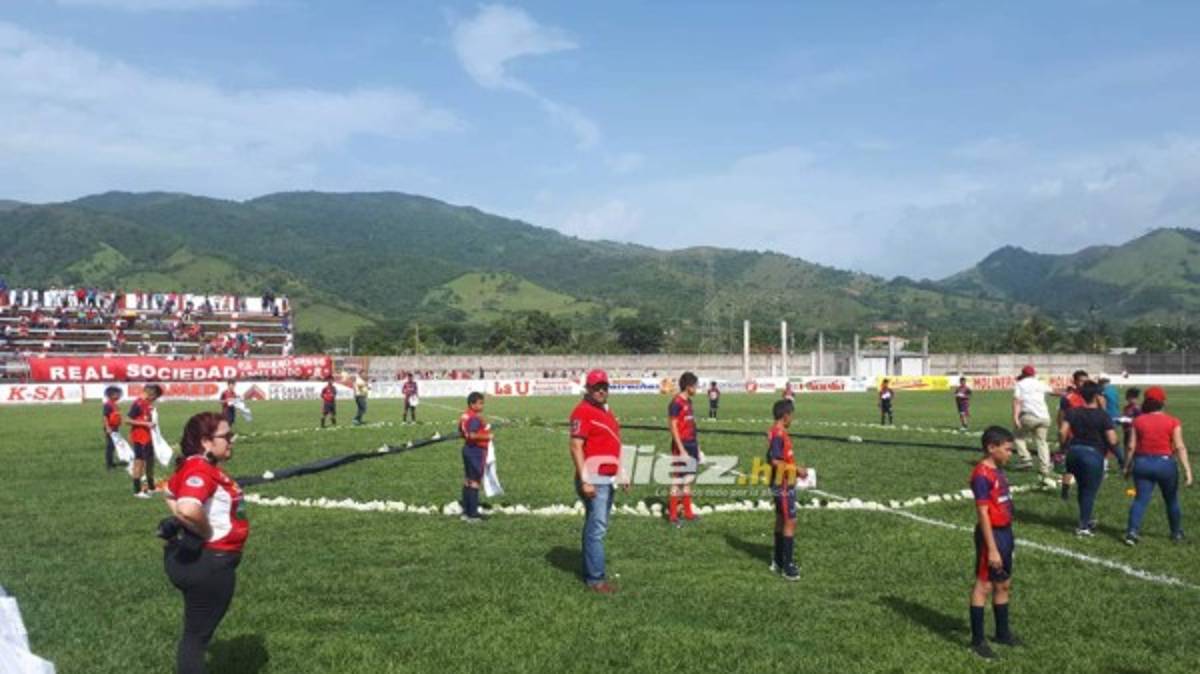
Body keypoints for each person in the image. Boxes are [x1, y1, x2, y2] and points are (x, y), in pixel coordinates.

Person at [161, 412, 247, 674]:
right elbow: (187, 508)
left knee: (194, 636)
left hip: (204, 561)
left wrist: (186, 523)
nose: (232, 441)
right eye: (226, 436)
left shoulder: (196, 466)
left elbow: (168, 491)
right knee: (195, 640)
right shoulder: (199, 468)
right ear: (206, 442)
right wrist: (205, 531)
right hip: (212, 564)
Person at [569, 369, 626, 594]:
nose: (602, 390)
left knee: (595, 525)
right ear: (588, 388)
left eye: (605, 386)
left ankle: (593, 573)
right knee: (597, 528)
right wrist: (585, 480)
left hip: (606, 476)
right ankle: (595, 579)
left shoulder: (605, 411)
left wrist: (621, 471)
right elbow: (575, 447)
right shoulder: (582, 412)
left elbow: (614, 443)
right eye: (597, 387)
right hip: (593, 478)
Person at [969, 426, 1021, 660]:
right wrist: (991, 549)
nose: (1010, 453)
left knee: (1003, 583)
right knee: (985, 586)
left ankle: (1002, 633)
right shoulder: (981, 475)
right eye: (1007, 449)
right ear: (992, 448)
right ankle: (977, 641)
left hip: (1005, 534)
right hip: (991, 536)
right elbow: (983, 514)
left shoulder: (998, 470)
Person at [1124, 387, 1193, 545]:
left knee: (1140, 499)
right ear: (1163, 402)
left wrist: (1127, 466)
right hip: (1165, 464)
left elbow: (1130, 446)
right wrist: (1187, 471)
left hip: (1142, 463)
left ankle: (1132, 532)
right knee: (1171, 500)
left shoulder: (1138, 421)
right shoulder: (1173, 421)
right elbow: (1180, 447)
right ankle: (1176, 533)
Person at [1059, 381, 1119, 537]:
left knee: (1082, 488)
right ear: (1097, 396)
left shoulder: (1073, 412)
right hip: (1092, 455)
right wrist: (1121, 458)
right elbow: (1112, 440)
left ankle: (1086, 518)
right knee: (1089, 492)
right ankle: (1084, 526)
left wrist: (1064, 446)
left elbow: (1062, 431)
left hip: (1073, 453)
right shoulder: (1103, 415)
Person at [768, 399, 806, 581]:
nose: (792, 419)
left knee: (781, 519)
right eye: (791, 416)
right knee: (790, 521)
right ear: (785, 416)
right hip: (782, 483)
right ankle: (787, 566)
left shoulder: (778, 432)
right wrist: (797, 470)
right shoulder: (778, 434)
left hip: (782, 481)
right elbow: (775, 460)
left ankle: (778, 560)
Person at [667, 372, 700, 526]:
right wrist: (681, 450)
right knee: (677, 479)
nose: (697, 388)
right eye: (695, 386)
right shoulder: (676, 403)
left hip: (692, 444)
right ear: (688, 387)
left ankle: (688, 512)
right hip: (682, 446)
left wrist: (697, 447)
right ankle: (673, 515)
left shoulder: (689, 402)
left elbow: (691, 425)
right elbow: (673, 428)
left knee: (688, 479)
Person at [1011, 365, 1051, 481]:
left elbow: (1017, 401)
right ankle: (1045, 468)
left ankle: (1026, 459)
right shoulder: (1040, 383)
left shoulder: (1020, 384)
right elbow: (1053, 391)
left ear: (1023, 374)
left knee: (1018, 437)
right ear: (1034, 374)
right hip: (1044, 417)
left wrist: (1015, 417)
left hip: (1029, 416)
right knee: (1042, 442)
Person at [458, 392, 491, 522]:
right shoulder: (474, 418)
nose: (482, 405)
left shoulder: (465, 415)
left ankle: (466, 510)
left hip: (467, 450)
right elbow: (471, 435)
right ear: (472, 404)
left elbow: (461, 432)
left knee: (468, 480)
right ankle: (473, 514)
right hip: (475, 451)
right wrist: (487, 436)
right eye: (480, 403)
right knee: (475, 482)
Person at [126, 384, 163, 497]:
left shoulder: (147, 404)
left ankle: (151, 487)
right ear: (151, 394)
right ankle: (137, 491)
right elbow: (127, 420)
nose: (156, 399)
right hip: (140, 438)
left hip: (148, 438)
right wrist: (146, 424)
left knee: (150, 462)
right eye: (156, 396)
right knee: (139, 463)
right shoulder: (137, 403)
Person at [102, 385, 124, 470]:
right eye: (117, 394)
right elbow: (105, 417)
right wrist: (107, 428)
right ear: (111, 395)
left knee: (114, 445)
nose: (119, 396)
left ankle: (111, 462)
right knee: (110, 446)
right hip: (110, 428)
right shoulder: (108, 405)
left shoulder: (114, 404)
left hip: (115, 427)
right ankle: (109, 465)